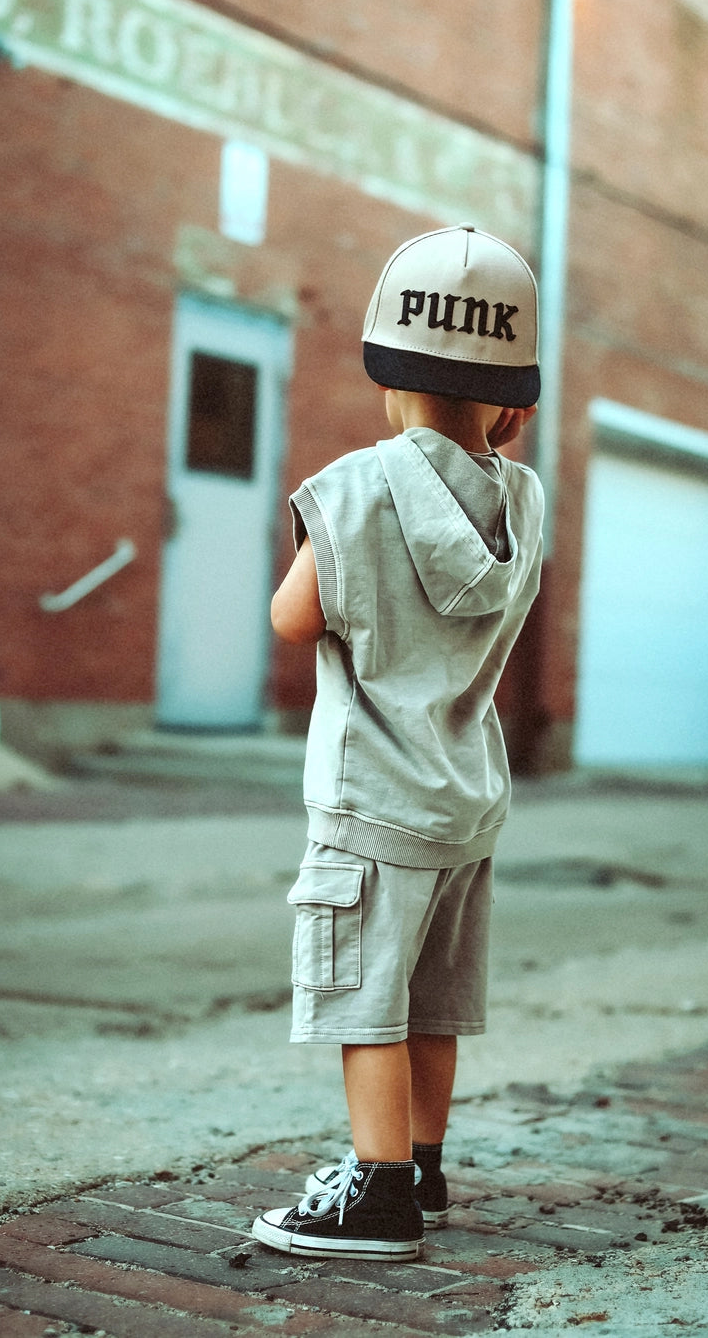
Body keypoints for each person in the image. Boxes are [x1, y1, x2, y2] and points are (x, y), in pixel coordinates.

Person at [251, 224, 545, 1262]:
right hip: (465, 800)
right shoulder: (525, 498)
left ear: (387, 370)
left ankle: (373, 1196)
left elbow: (294, 618)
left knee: (362, 1002)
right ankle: (421, 1164)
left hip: (374, 795)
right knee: (432, 1002)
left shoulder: (355, 486)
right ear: (514, 402)